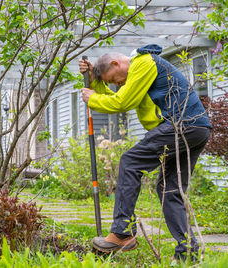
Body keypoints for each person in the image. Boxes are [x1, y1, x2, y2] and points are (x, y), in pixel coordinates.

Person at [78, 44, 212, 260]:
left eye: (112, 79)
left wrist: (92, 98)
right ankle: (187, 253)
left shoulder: (143, 62)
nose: (115, 84)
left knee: (130, 161)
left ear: (116, 63)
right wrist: (95, 80)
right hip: (198, 128)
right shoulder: (139, 74)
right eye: (110, 83)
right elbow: (117, 98)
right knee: (169, 189)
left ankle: (122, 232)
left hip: (181, 125)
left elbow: (121, 102)